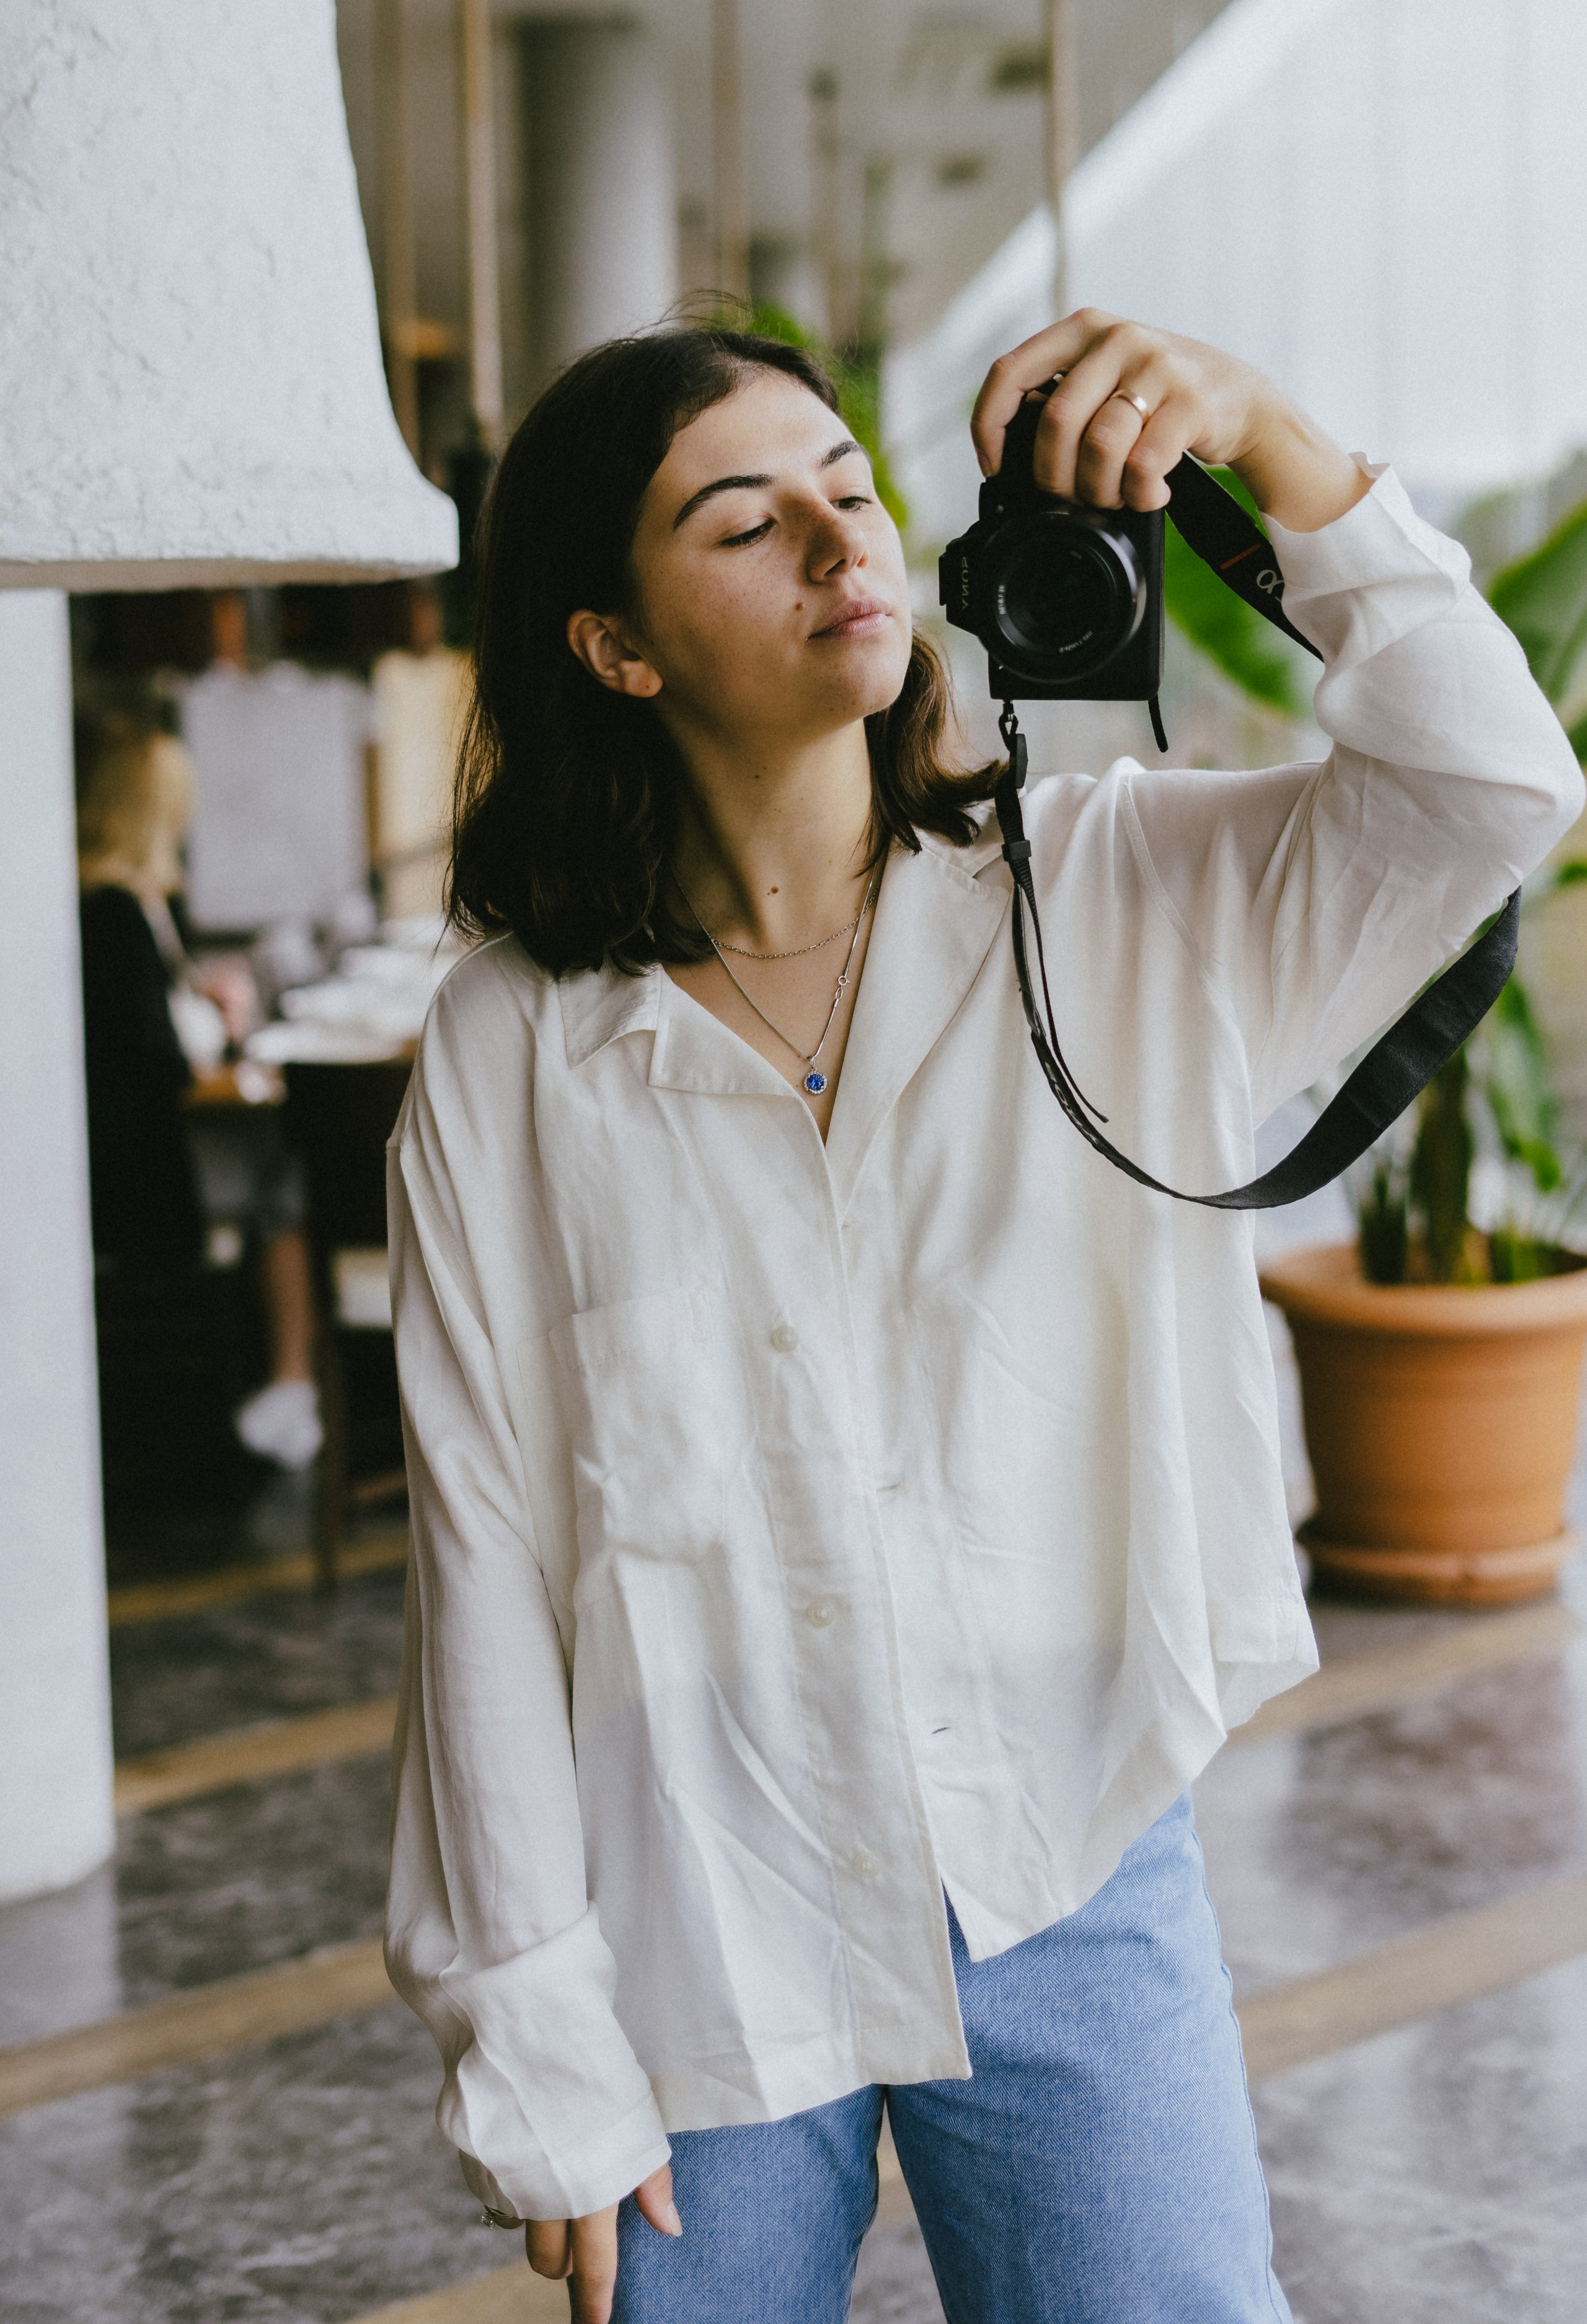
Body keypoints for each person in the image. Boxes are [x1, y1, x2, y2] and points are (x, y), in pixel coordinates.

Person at [383, 314, 1583, 2324]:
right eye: (746, 522)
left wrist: (1266, 435)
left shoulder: (1108, 895)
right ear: (617, 643)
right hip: (701, 1887)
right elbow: (483, 1560)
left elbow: (1484, 785)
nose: (838, 543)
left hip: (1070, 1857)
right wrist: (536, 2038)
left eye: (851, 490)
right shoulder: (514, 1047)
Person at [76, 711, 322, 1470]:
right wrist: (212, 1018)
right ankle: (292, 1381)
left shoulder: (128, 902)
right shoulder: (113, 911)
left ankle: (289, 1382)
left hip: (141, 1151)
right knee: (286, 1178)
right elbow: (157, 1057)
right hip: (140, 1171)